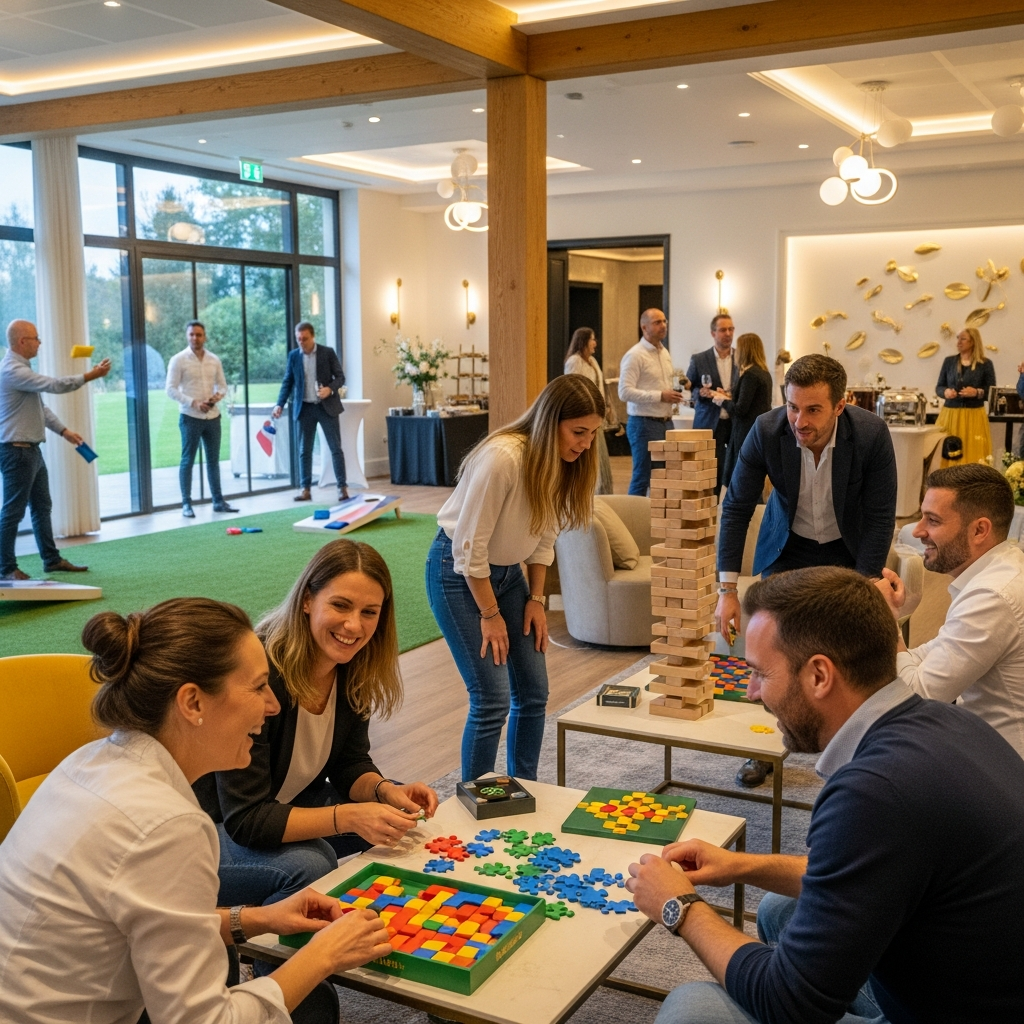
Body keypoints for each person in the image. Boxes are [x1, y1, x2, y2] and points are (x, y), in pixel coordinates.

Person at [626, 566, 1024, 1024]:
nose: (753, 692)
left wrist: (680, 908)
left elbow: (790, 1004)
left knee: (692, 1010)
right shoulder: (947, 721)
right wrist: (742, 866)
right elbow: (875, 868)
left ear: (819, 675)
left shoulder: (875, 792)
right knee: (781, 909)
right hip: (967, 979)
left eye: (759, 674)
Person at [0, 597, 392, 1024]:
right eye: (259, 686)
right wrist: (322, 957)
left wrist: (259, 918)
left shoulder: (91, 760)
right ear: (192, 703)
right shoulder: (168, 826)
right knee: (309, 1006)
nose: (273, 705)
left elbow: (141, 921)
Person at [194, 538, 438, 909]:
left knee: (398, 819)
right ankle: (273, 962)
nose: (354, 625)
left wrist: (384, 790)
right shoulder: (262, 674)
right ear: (307, 600)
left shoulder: (353, 668)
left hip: (274, 804)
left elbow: (349, 762)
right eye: (340, 605)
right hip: (208, 827)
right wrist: (350, 817)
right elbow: (247, 820)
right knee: (311, 862)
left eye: (369, 612)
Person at [716, 354, 897, 788]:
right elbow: (737, 505)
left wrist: (870, 579)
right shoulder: (766, 429)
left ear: (840, 405)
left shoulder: (871, 433)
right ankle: (765, 751)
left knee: (847, 661)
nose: (799, 420)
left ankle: (854, 760)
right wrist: (726, 588)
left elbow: (879, 515)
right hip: (787, 546)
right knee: (769, 660)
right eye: (793, 407)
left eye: (813, 409)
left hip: (846, 550)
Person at [427, 374, 605, 781]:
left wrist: (536, 600)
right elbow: (469, 550)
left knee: (534, 692)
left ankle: (523, 787)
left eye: (593, 434)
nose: (586, 443)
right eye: (578, 432)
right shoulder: (503, 458)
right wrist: (489, 615)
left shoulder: (564, 463)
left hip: (508, 576)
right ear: (550, 421)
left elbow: (544, 538)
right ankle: (477, 801)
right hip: (459, 574)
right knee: (491, 697)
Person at [875, 464, 1024, 757]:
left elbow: (915, 696)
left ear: (980, 530)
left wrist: (884, 619)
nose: (917, 531)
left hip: (1005, 766)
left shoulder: (992, 595)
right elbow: (930, 654)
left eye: (933, 520)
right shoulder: (1004, 567)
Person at [0, 319, 111, 580]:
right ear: (22, 342)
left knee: (42, 506)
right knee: (13, 511)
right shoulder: (13, 370)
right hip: (17, 452)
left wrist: (64, 431)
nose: (40, 343)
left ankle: (51, 560)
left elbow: (40, 408)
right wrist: (90, 375)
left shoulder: (22, 371)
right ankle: (5, 569)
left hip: (30, 451)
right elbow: (55, 385)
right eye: (36, 338)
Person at [165, 320, 239, 518]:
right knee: (187, 460)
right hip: (190, 416)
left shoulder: (214, 360)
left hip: (213, 416)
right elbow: (170, 389)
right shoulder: (178, 360)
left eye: (198, 335)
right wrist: (193, 402)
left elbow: (222, 385)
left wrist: (217, 396)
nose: (195, 338)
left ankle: (218, 501)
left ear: (204, 336)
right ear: (187, 336)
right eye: (191, 335)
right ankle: (186, 504)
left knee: (213, 461)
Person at [273, 322, 348, 503]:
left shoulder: (327, 352)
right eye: (298, 339)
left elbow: (340, 377)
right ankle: (305, 489)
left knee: (335, 448)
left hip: (326, 407)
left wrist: (329, 389)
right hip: (304, 408)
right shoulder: (293, 356)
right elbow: (287, 382)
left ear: (312, 337)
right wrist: (279, 404)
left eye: (305, 339)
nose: (301, 342)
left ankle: (342, 488)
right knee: (304, 450)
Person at [619, 309, 685, 496]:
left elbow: (664, 382)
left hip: (666, 422)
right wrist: (660, 396)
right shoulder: (635, 355)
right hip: (644, 423)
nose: (663, 325)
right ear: (644, 327)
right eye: (657, 322)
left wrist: (675, 393)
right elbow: (624, 392)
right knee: (642, 477)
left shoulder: (664, 352)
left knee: (667, 477)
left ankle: (659, 522)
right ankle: (632, 521)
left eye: (664, 321)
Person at [710, 332, 773, 490]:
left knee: (742, 479)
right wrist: (728, 395)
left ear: (745, 350)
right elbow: (752, 402)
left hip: (745, 432)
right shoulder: (764, 373)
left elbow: (740, 409)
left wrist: (721, 400)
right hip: (757, 431)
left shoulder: (750, 375)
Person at [686, 314, 739, 492]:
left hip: (734, 420)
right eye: (723, 329)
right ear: (713, 333)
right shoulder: (699, 359)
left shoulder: (741, 357)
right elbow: (690, 386)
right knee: (708, 474)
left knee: (735, 471)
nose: (728, 333)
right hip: (709, 421)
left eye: (731, 329)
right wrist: (699, 392)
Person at [935, 326, 995, 468]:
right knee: (948, 451)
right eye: (958, 338)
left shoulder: (985, 364)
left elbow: (991, 392)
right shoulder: (949, 362)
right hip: (951, 414)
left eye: (963, 339)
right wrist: (946, 393)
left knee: (973, 453)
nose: (958, 342)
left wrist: (977, 392)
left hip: (974, 415)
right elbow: (939, 387)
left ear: (973, 342)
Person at [564, 326, 613, 494]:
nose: (595, 343)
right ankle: (589, 492)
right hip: (583, 415)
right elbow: (573, 388)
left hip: (595, 414)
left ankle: (602, 493)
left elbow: (599, 386)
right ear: (583, 341)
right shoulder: (574, 361)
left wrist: (606, 406)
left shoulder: (593, 361)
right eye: (592, 339)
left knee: (599, 457)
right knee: (589, 455)